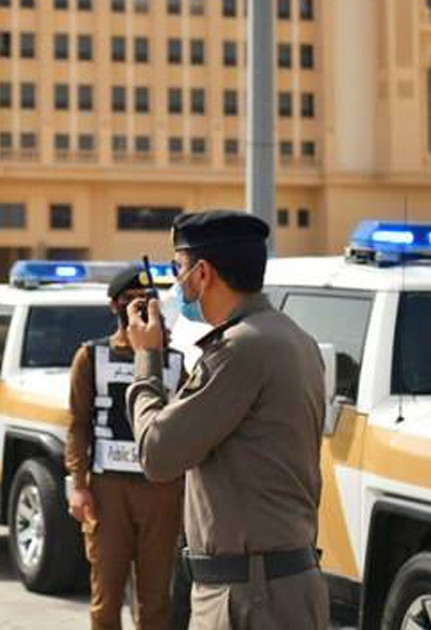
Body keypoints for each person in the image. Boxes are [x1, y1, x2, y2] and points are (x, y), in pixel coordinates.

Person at [125, 210, 327, 629]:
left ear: (202, 273)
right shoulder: (288, 336)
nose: (175, 283)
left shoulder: (240, 349)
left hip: (251, 597)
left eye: (177, 269)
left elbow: (157, 454)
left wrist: (147, 358)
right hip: (272, 585)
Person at [66, 266, 185, 630]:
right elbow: (78, 423)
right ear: (114, 306)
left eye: (147, 301)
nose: (140, 307)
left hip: (161, 492)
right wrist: (78, 484)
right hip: (108, 490)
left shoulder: (175, 361)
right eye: (131, 301)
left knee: (155, 602)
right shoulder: (91, 356)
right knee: (106, 599)